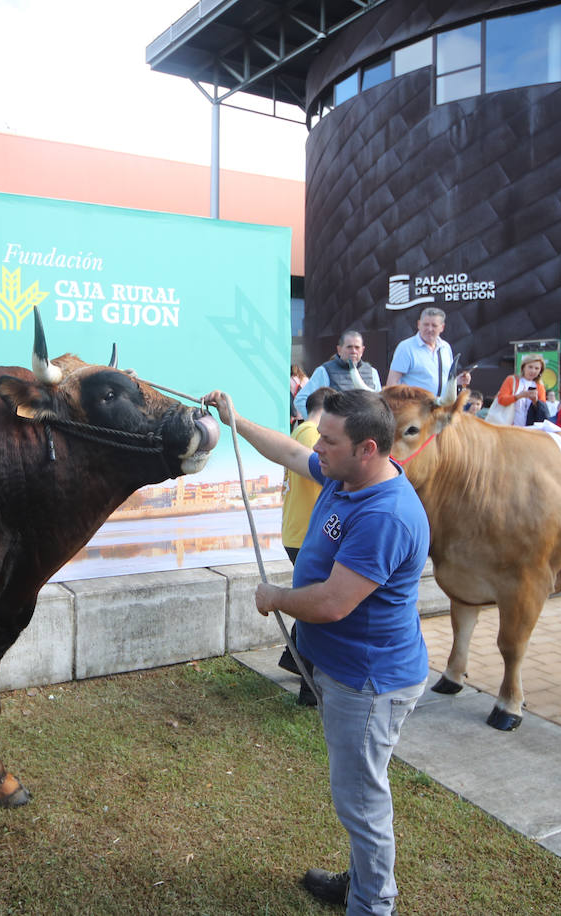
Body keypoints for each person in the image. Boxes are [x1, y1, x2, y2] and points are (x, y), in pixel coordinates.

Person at [202, 386, 429, 916]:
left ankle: (372, 904)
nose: (316, 447)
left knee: (362, 802)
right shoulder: (347, 473)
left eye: (328, 440)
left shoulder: (384, 515)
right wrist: (236, 421)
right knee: (358, 792)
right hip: (346, 673)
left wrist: (273, 597)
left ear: (367, 447)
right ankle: (363, 883)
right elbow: (287, 451)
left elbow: (332, 603)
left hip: (369, 683)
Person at [279, 386, 329, 705]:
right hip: (307, 535)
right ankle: (309, 691)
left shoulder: (301, 431)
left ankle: (291, 658)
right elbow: (328, 476)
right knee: (317, 611)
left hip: (298, 532)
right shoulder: (312, 435)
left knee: (313, 604)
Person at [386, 307, 471, 395]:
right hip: (415, 407)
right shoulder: (406, 348)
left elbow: (442, 381)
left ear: (442, 327)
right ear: (419, 324)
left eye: (434, 325)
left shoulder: (445, 347)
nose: (430, 329)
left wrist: (457, 381)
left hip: (442, 407)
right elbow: (392, 385)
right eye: (426, 324)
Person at [296, 330, 380, 418]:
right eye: (349, 347)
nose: (353, 351)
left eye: (357, 347)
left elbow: (380, 405)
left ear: (362, 350)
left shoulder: (372, 373)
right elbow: (301, 400)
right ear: (339, 349)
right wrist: (317, 424)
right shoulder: (324, 371)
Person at [492, 354, 546, 426]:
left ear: (540, 371)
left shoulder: (540, 386)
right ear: (523, 367)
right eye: (530, 367)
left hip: (530, 427)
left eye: (537, 368)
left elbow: (542, 409)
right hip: (509, 424)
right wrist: (518, 396)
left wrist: (535, 401)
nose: (533, 371)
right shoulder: (511, 380)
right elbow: (501, 400)